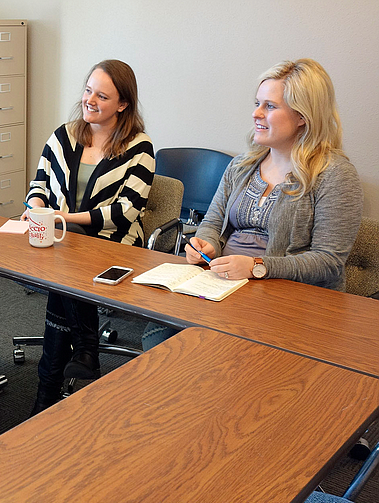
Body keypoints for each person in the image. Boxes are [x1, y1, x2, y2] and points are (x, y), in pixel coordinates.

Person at [142, 58, 363, 350]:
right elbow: (212, 221)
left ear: (303, 116)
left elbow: (328, 261)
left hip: (288, 304)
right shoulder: (241, 165)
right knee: (159, 339)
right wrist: (205, 243)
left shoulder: (335, 175)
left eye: (270, 106)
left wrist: (257, 267)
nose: (256, 113)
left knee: (199, 355)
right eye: (257, 103)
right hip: (222, 286)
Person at [22, 60, 154, 415]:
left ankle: (47, 392)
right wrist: (36, 207)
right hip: (61, 242)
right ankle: (84, 348)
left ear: (123, 104)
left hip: (114, 244)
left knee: (64, 258)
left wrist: (63, 219)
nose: (90, 100)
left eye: (102, 96)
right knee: (66, 258)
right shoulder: (63, 135)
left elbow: (125, 211)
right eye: (88, 90)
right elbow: (38, 184)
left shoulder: (139, 147)